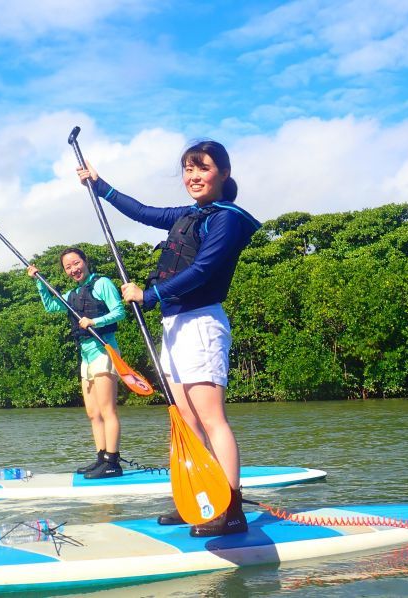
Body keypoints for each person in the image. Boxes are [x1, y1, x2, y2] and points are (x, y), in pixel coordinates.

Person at [77, 140, 261, 536]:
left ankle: (229, 508)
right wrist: (100, 185)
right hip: (173, 326)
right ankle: (197, 497)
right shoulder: (191, 214)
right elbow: (144, 212)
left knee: (212, 419)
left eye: (203, 168)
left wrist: (150, 294)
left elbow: (204, 270)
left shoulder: (226, 219)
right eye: (188, 169)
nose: (194, 176)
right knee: (186, 418)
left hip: (201, 323)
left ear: (223, 174)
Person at [27, 247, 126, 479]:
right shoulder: (72, 294)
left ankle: (113, 461)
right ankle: (101, 458)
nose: (73, 269)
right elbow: (51, 306)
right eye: (68, 267)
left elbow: (119, 311)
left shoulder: (102, 284)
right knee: (93, 413)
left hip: (104, 350)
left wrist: (95, 320)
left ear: (85, 261)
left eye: (75, 263)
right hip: (86, 355)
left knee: (107, 410)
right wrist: (39, 283)